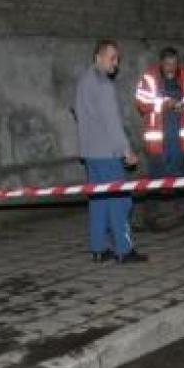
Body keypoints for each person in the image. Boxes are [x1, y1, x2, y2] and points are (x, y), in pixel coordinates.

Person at [74, 39, 145, 264]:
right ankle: (124, 250)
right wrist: (126, 151)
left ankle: (98, 248)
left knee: (99, 202)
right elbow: (112, 123)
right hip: (108, 154)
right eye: (112, 58)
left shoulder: (83, 81)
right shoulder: (104, 85)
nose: (116, 63)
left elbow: (77, 112)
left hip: (90, 154)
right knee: (120, 202)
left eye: (117, 59)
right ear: (98, 57)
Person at [134, 47, 184, 230]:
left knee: (181, 174)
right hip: (157, 140)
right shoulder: (149, 78)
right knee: (155, 177)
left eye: (174, 63)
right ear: (161, 63)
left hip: (179, 138)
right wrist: (164, 104)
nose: (171, 67)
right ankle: (151, 213)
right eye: (167, 64)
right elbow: (142, 103)